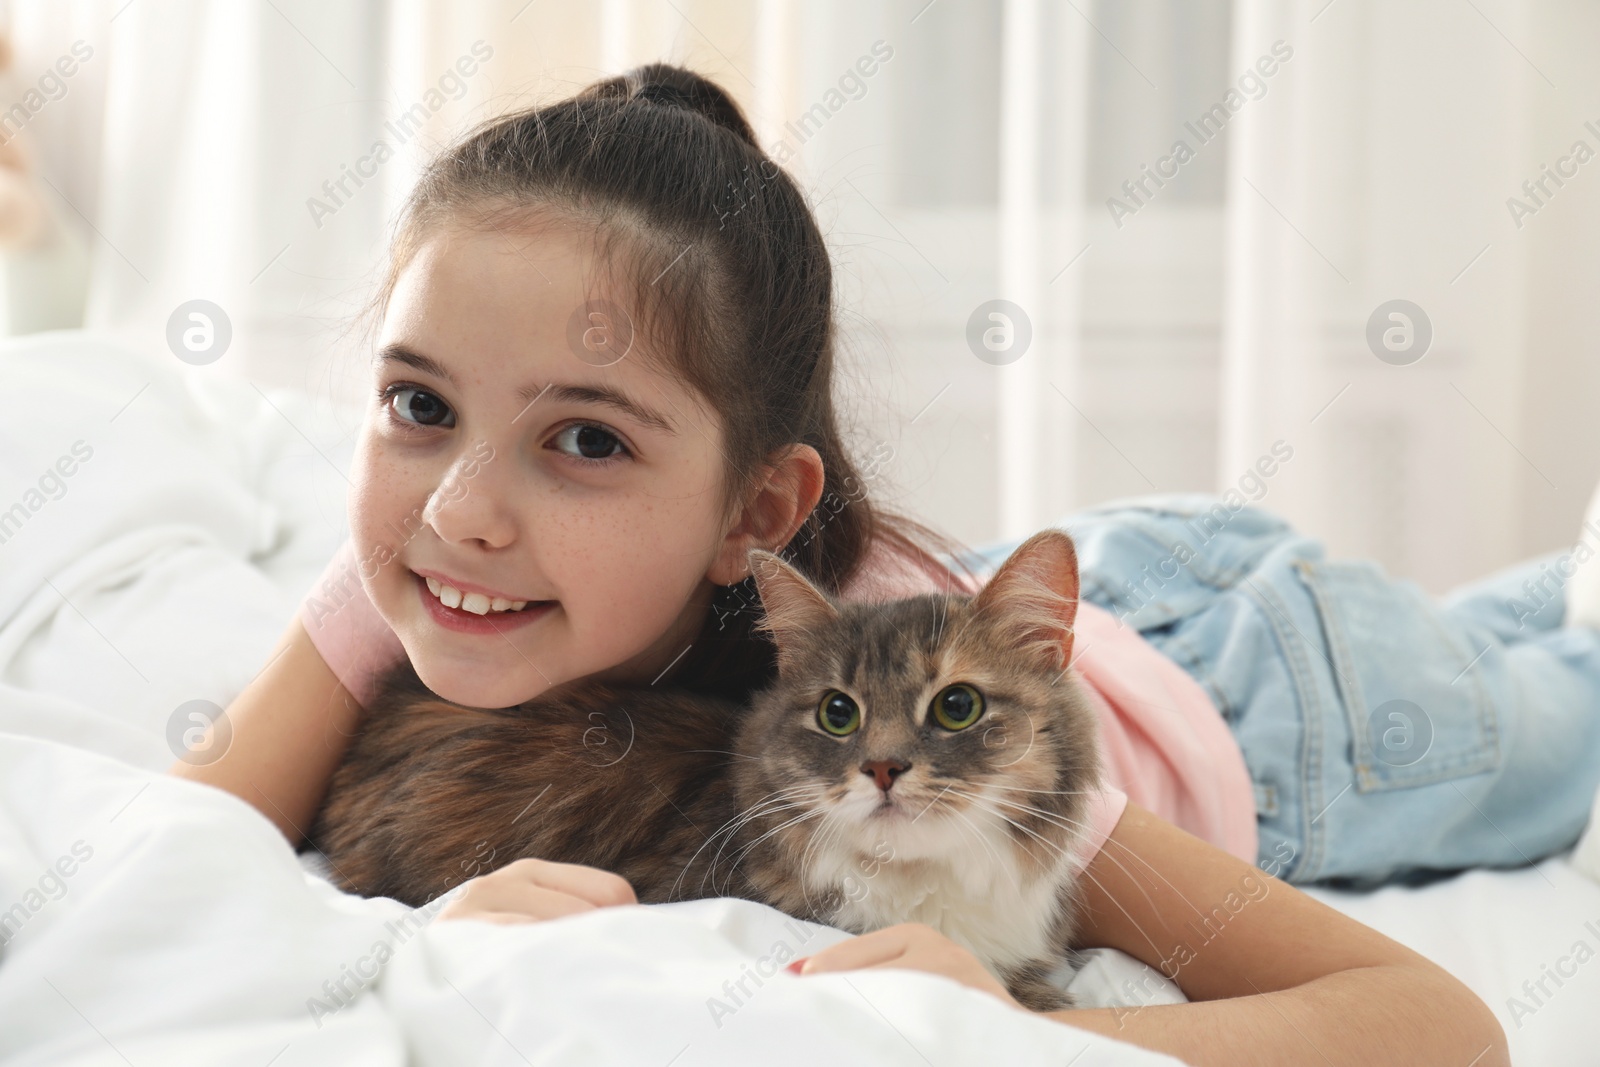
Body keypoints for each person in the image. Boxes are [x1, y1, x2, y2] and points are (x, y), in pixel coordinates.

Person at [168, 63, 1511, 1065]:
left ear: (758, 511)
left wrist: (1012, 1029)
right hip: (1030, 585)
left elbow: (1437, 1024)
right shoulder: (427, 558)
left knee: (1551, 679)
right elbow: (180, 851)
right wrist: (428, 932)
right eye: (419, 405)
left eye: (581, 438)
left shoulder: (911, 728)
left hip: (1281, 689)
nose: (462, 510)